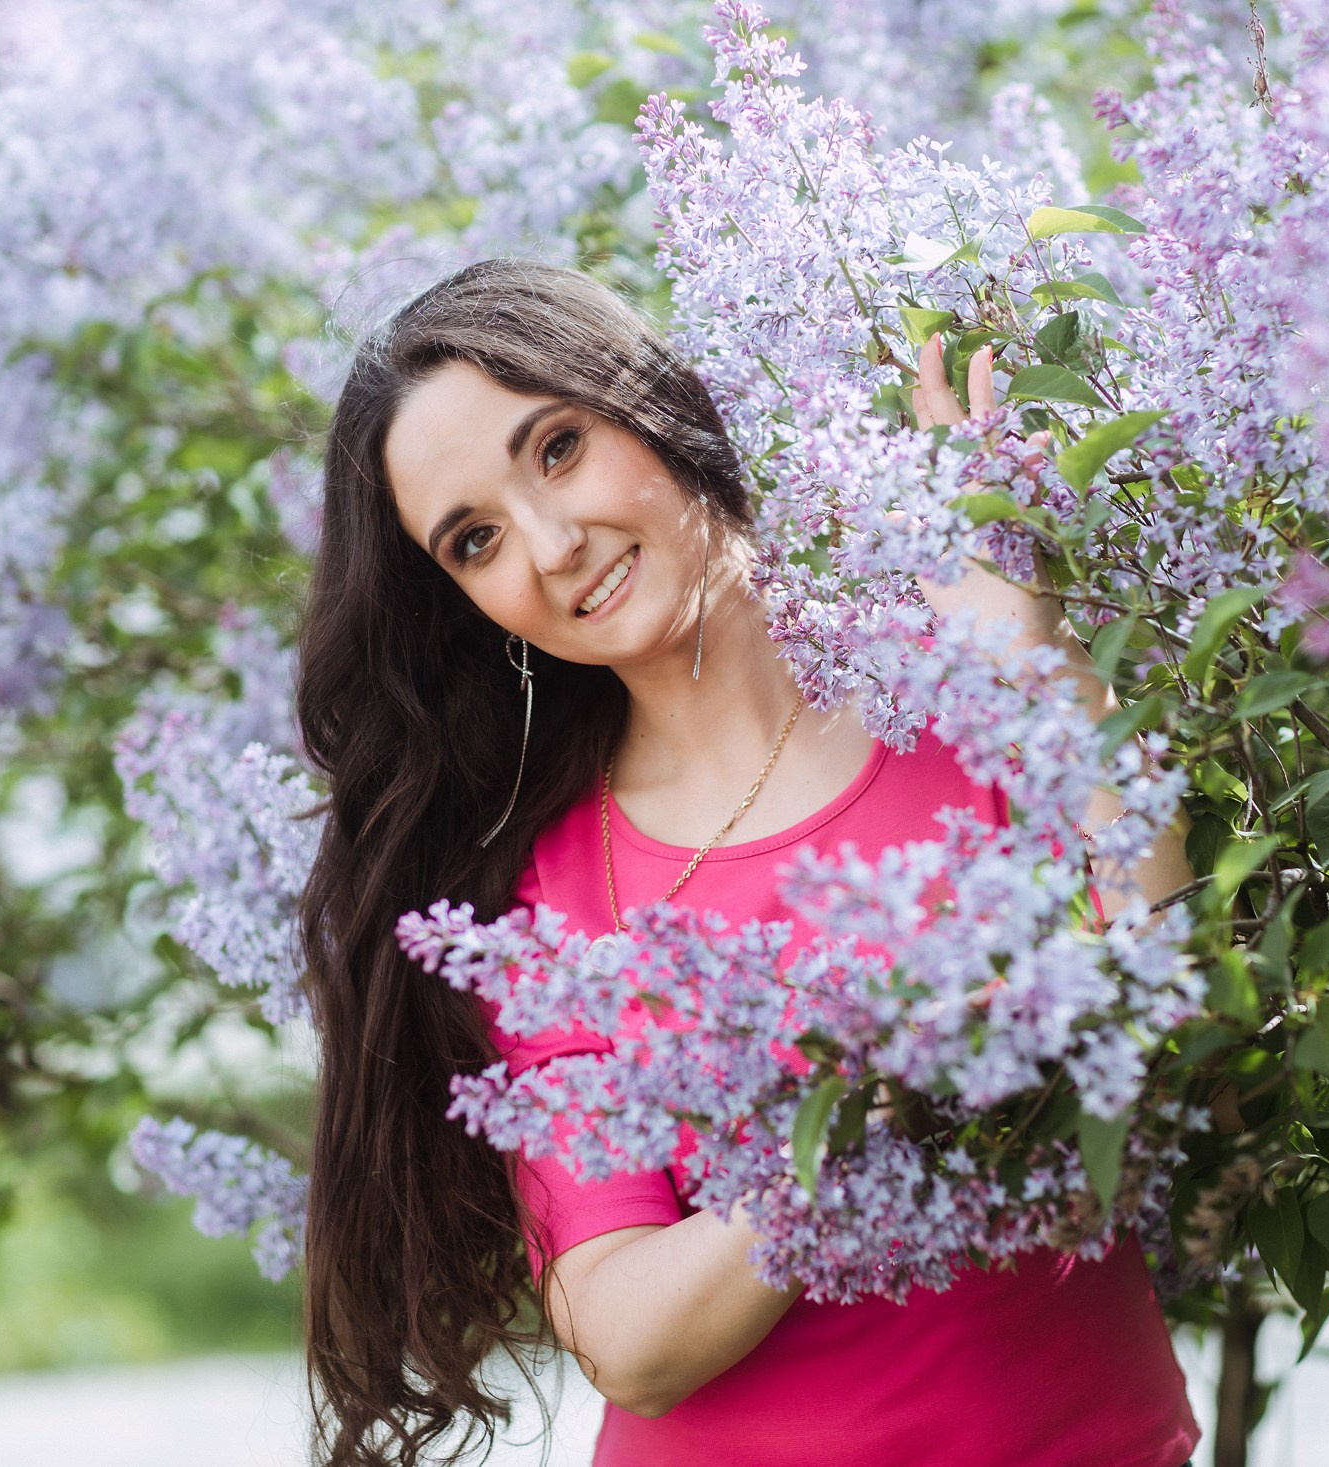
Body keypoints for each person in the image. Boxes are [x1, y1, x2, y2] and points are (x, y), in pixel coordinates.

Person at [295, 258, 1200, 1467]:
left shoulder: (966, 680)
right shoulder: (549, 905)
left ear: (645, 400)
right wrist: (861, 1101)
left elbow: (1173, 1005)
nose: (554, 545)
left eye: (556, 448)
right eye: (476, 540)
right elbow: (630, 1338)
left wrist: (1034, 659)